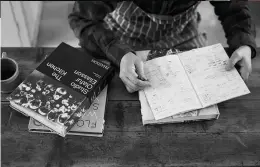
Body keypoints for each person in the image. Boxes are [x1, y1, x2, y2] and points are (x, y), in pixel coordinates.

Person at [68, 0, 256, 93]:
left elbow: (234, 8)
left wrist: (244, 43)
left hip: (181, 35)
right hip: (123, 37)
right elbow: (81, 19)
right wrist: (121, 54)